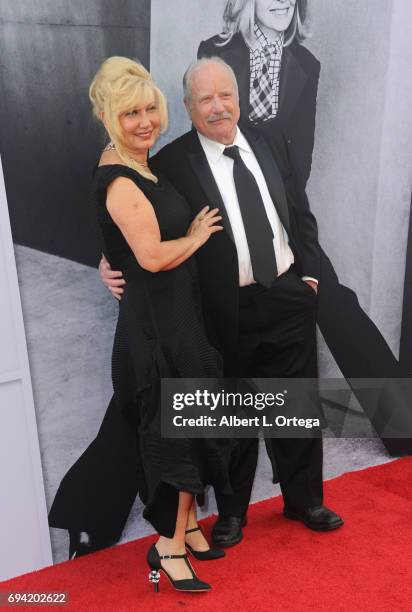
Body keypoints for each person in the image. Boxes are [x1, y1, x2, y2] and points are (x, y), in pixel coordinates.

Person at [100, 56, 343, 549]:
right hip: (222, 310)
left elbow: (299, 212)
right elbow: (138, 218)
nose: (217, 108)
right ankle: (232, 513)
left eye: (225, 95)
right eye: (204, 99)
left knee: (296, 404)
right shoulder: (170, 164)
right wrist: (108, 262)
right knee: (233, 412)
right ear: (188, 107)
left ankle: (304, 500)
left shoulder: (273, 141)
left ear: (238, 96)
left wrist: (310, 276)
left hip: (288, 296)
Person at [48, 56, 238, 593]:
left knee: (191, 419)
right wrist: (197, 238)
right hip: (157, 326)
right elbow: (151, 256)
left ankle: (188, 528)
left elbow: (127, 250)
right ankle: (168, 546)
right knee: (173, 431)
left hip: (177, 316)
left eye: (150, 109)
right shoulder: (120, 176)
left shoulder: (142, 162)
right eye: (130, 113)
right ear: (109, 116)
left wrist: (114, 260)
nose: (144, 121)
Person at [195, 0, 411, 451]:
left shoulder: (305, 64)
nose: (281, 2)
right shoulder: (215, 52)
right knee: (187, 326)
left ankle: (404, 426)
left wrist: (281, 212)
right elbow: (205, 145)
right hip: (222, 212)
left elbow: (302, 154)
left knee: (333, 303)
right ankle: (99, 494)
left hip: (282, 209)